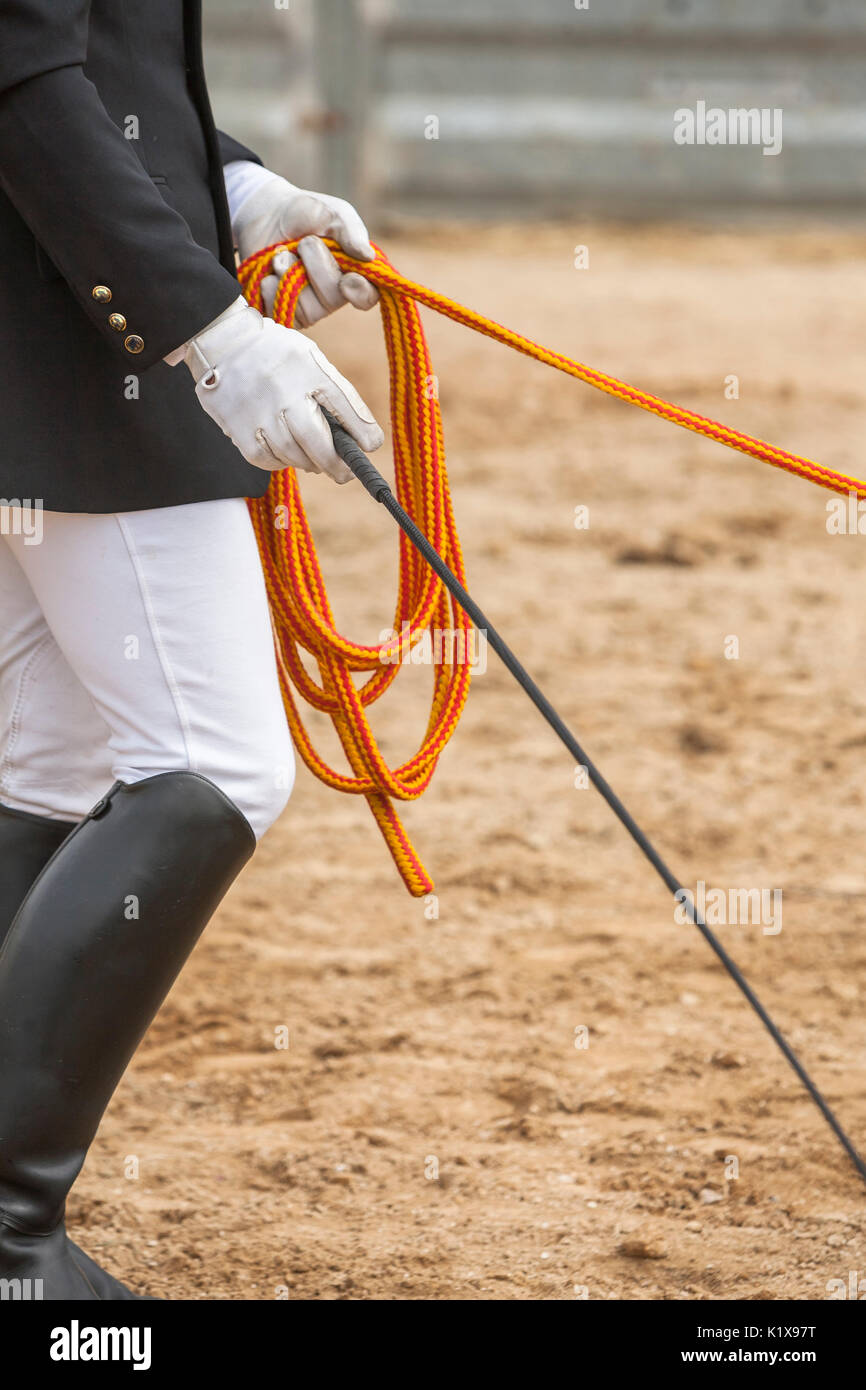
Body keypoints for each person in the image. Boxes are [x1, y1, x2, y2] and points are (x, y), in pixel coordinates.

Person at [0, 0, 383, 1301]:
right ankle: (6, 1241)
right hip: (71, 357)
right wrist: (207, 329)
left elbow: (92, 58)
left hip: (42, 346)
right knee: (216, 762)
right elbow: (17, 65)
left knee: (51, 765)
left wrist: (233, 185)